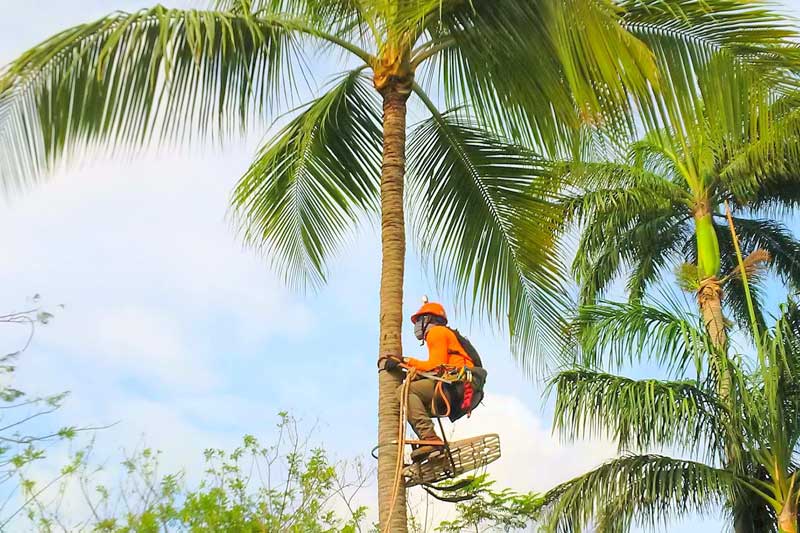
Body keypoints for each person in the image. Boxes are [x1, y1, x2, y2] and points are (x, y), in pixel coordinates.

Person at [383, 300, 476, 460]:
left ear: (428, 319)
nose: (417, 325)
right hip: (458, 386)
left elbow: (435, 365)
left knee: (405, 392)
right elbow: (438, 368)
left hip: (455, 385)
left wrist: (403, 360)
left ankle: (430, 439)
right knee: (413, 401)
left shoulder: (437, 333)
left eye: (419, 320)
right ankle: (430, 445)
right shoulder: (445, 334)